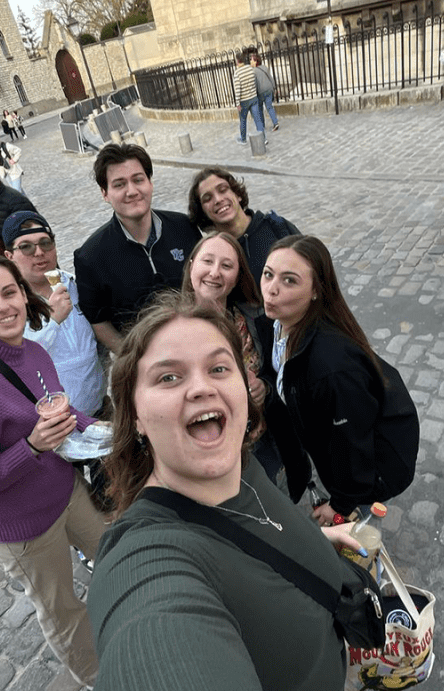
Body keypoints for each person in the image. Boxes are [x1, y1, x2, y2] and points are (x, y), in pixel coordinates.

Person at [88, 296, 364, 691]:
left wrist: (310, 542)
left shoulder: (244, 463)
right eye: (168, 377)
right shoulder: (145, 555)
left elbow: (249, 532)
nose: (201, 387)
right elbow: (151, 638)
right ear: (135, 419)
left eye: (218, 368)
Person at [0, 253, 106, 687]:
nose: (3, 307)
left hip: (67, 493)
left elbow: (62, 410)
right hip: (24, 530)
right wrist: (30, 447)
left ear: (26, 297)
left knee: (116, 554)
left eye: (9, 293)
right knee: (64, 611)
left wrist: (105, 429)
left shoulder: (32, 350)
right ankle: (100, 679)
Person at [260, 235, 419, 526]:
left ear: (316, 291)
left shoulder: (331, 367)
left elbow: (351, 444)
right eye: (268, 274)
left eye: (290, 281)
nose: (272, 290)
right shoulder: (281, 324)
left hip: (377, 466)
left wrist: (340, 506)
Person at [180, 233, 307, 499]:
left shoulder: (256, 319)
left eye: (227, 266)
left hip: (262, 442)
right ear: (191, 265)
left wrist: (265, 387)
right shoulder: (171, 332)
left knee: (277, 503)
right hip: (213, 456)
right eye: (207, 261)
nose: (215, 272)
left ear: (237, 277)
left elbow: (280, 373)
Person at [73, 143, 200, 354]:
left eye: (138, 180)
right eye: (119, 184)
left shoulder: (184, 227)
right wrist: (134, 359)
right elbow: (98, 320)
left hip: (199, 345)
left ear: (150, 183)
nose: (132, 191)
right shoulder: (90, 256)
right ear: (105, 193)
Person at [2, 211, 107, 420]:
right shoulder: (9, 304)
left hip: (101, 410)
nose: (39, 252)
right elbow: (15, 359)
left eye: (45, 243)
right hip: (56, 423)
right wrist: (53, 321)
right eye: (26, 247)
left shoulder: (76, 285)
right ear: (9, 256)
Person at [187, 167, 299, 282]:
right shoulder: (212, 253)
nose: (218, 200)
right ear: (203, 212)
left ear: (238, 195)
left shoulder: (277, 227)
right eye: (207, 198)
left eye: (223, 190)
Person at [232, 49, 265, 144]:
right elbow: (255, 81)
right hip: (253, 98)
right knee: (257, 119)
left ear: (237, 61)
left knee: (243, 120)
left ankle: (243, 139)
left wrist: (237, 103)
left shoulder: (237, 73)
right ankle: (263, 137)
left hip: (244, 101)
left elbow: (237, 89)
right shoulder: (250, 68)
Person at [248, 47, 279, 131]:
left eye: (251, 60)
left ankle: (262, 125)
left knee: (260, 109)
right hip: (269, 89)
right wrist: (274, 88)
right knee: (269, 107)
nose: (250, 62)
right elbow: (271, 78)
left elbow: (254, 83)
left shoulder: (253, 71)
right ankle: (275, 123)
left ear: (256, 61)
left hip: (260, 92)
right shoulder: (265, 67)